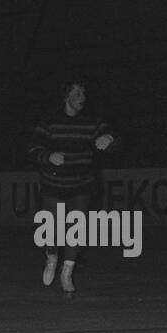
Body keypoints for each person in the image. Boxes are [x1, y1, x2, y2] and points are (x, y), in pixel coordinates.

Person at [27, 79, 115, 294]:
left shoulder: (91, 121)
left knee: (75, 230)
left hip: (81, 183)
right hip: (53, 182)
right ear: (66, 96)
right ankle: (51, 257)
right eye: (76, 93)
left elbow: (113, 137)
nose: (81, 98)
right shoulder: (50, 121)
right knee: (51, 227)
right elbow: (32, 148)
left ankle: (67, 272)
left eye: (83, 94)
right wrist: (48, 156)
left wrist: (109, 138)